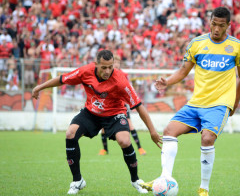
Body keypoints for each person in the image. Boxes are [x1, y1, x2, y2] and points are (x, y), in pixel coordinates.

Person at [140, 7, 240, 196]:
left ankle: (203, 188)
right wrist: (167, 81)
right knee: (169, 131)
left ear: (228, 26)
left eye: (221, 26)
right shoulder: (197, 43)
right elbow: (183, 71)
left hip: (220, 104)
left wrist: (235, 103)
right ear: (210, 22)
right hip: (196, 103)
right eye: (213, 24)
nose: (216, 29)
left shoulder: (237, 46)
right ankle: (164, 180)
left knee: (207, 138)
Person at [32, 50, 162, 195]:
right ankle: (77, 180)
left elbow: (139, 106)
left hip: (115, 113)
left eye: (111, 67)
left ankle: (135, 180)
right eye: (104, 67)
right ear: (96, 64)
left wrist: (153, 132)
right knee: (70, 133)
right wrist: (39, 87)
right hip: (91, 113)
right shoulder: (85, 71)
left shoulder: (120, 80)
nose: (108, 71)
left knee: (124, 141)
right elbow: (62, 79)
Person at [99, 57, 147, 156]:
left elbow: (127, 89)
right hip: (108, 104)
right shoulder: (105, 75)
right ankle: (104, 149)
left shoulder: (123, 75)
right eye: (114, 63)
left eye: (117, 63)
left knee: (130, 124)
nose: (116, 65)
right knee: (103, 127)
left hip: (122, 104)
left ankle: (140, 148)